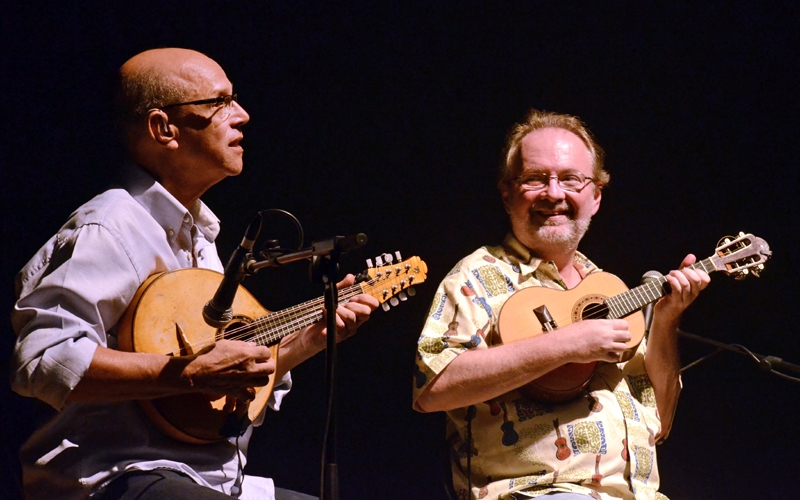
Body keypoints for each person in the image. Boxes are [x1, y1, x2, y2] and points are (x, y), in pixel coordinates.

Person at [10, 48, 378, 500]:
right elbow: (43, 361)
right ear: (163, 128)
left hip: (208, 477)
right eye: (218, 103)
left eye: (235, 100)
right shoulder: (110, 225)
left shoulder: (199, 235)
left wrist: (312, 338)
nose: (241, 115)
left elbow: (217, 381)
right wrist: (184, 373)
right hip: (118, 476)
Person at [412, 110, 709, 500]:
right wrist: (567, 344)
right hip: (538, 493)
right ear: (507, 194)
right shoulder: (475, 276)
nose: (554, 193)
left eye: (570, 179)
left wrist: (667, 320)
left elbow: (661, 421)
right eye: (535, 179)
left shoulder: (606, 289)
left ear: (596, 197)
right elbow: (433, 387)